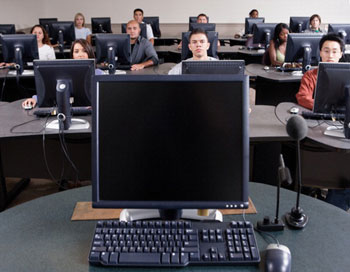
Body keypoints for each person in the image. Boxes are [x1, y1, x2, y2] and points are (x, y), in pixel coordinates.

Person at [295, 33, 349, 210]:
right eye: (326, 51)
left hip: (344, 125)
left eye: (335, 51)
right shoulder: (311, 75)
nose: (330, 55)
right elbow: (302, 97)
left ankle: (334, 206)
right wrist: (323, 106)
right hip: (318, 127)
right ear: (320, 53)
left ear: (341, 53)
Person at [22, 39, 103, 109]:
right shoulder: (65, 71)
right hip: (68, 110)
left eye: (84, 51)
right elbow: (50, 91)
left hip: (91, 112)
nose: (80, 54)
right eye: (76, 51)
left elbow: (105, 96)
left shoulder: (99, 73)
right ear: (72, 55)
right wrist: (35, 99)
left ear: (90, 53)